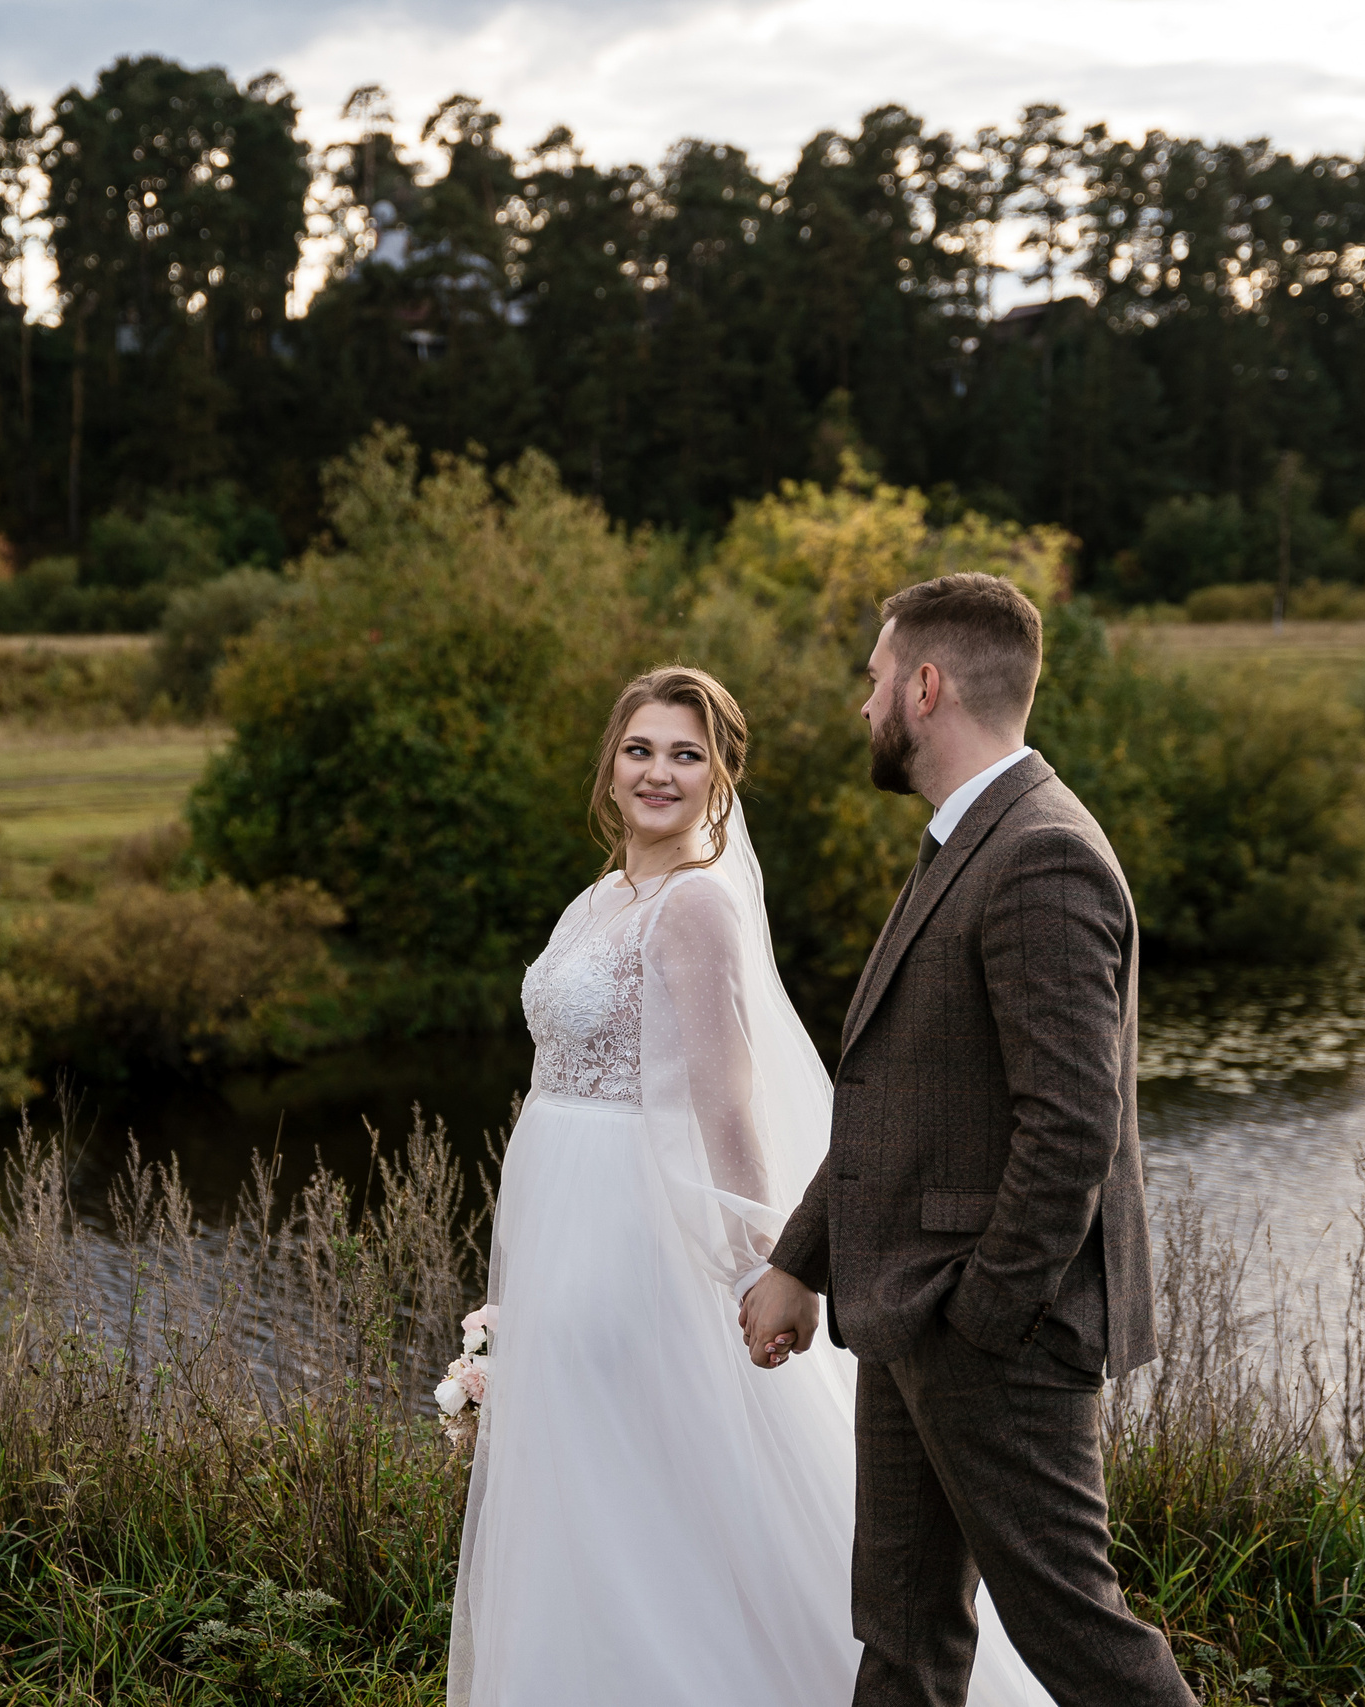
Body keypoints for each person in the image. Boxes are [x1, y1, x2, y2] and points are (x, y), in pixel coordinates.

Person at [448, 665, 1054, 1707]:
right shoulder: (601, 897)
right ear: (609, 763)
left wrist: (755, 1264)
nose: (657, 772)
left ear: (720, 777)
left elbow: (728, 1104)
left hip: (630, 1231)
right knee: (594, 1488)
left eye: (686, 755)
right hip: (561, 1213)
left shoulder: (691, 907)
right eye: (640, 748)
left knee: (633, 1490)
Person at [740, 573, 1196, 1706]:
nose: (865, 704)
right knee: (902, 1632)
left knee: (1082, 1640)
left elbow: (1071, 1125)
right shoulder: (965, 838)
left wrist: (986, 1315)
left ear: (927, 686)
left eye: (876, 677)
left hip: (986, 1327)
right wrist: (803, 1261)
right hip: (911, 1310)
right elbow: (890, 1101)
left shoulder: (1041, 853)